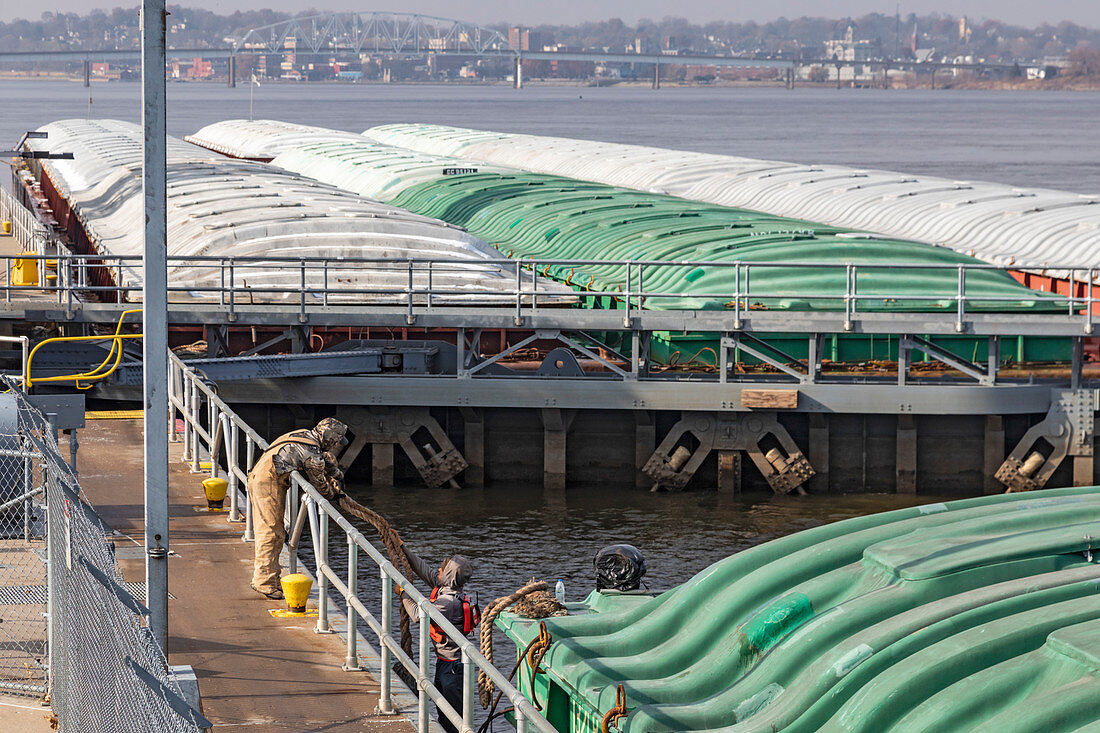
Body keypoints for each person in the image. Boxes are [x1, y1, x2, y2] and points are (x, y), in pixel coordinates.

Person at [248, 417, 349, 599]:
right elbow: (320, 486)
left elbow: (323, 458)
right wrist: (336, 494)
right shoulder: (311, 452)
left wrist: (336, 473)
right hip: (267, 482)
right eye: (336, 441)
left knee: (276, 532)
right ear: (331, 438)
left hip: (263, 475)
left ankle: (273, 577)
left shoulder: (304, 435)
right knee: (271, 533)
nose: (336, 445)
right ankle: (263, 582)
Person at [401, 547, 479, 733]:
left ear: (449, 575)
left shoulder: (447, 603)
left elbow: (417, 614)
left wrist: (404, 592)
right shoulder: (448, 589)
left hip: (452, 668)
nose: (438, 572)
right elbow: (424, 570)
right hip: (445, 663)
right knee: (444, 713)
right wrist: (402, 547)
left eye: (442, 570)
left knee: (452, 720)